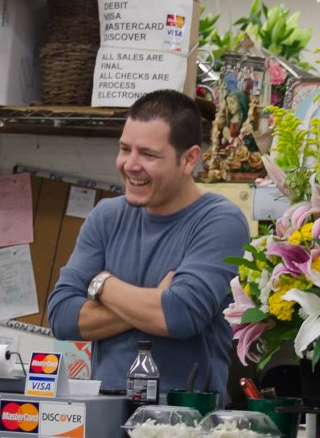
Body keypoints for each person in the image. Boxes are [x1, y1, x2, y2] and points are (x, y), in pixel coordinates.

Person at [47, 89, 250, 398]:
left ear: (189, 159)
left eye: (148, 154)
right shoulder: (106, 217)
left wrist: (101, 285)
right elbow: (61, 317)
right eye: (125, 149)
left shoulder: (220, 222)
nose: (130, 164)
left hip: (186, 421)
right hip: (105, 414)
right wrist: (156, 300)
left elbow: (181, 315)